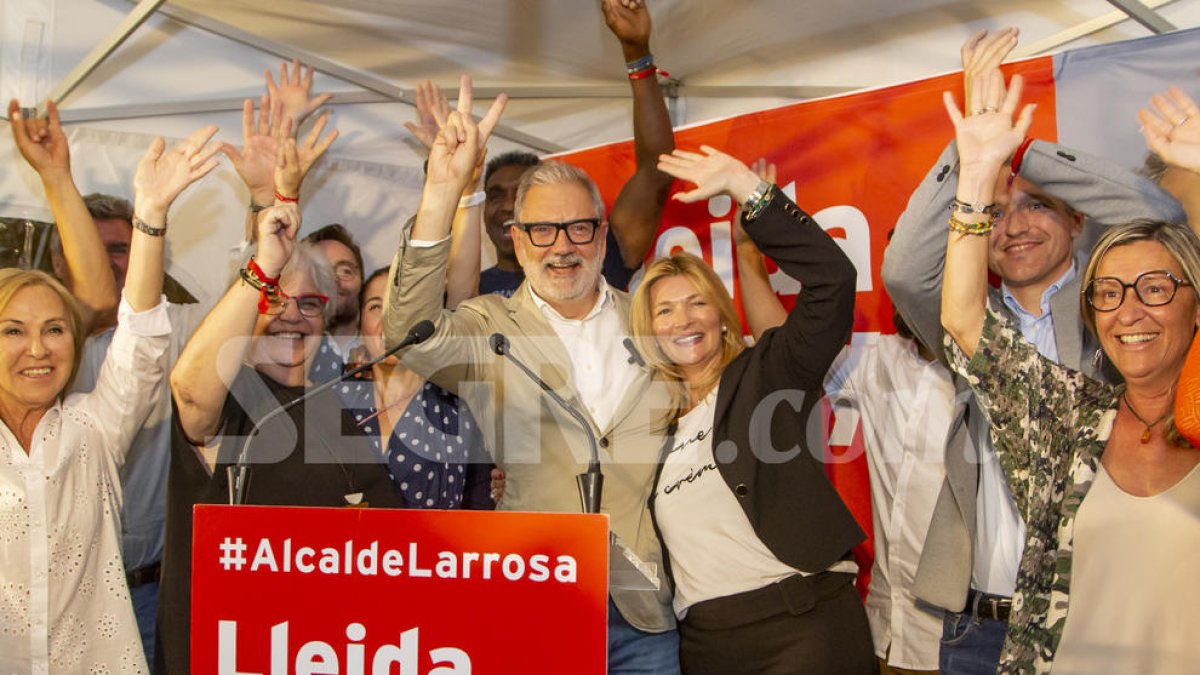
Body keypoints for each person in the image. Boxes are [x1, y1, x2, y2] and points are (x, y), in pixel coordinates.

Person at [880, 29, 1185, 675]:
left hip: (1112, 611)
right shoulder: (978, 334)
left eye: (1038, 205)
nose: (1014, 225)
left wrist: (1020, 149)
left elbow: (1159, 218)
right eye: (998, 212)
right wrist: (974, 156)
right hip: (979, 622)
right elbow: (908, 272)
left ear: (1081, 222)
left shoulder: (1129, 320)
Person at [384, 76, 682, 673]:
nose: (562, 247)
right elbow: (406, 329)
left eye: (579, 228)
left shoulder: (654, 319)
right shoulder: (488, 326)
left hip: (646, 612)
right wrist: (443, 190)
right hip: (534, 599)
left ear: (601, 234)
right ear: (517, 241)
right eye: (542, 230)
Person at [630, 145, 873, 675]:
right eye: (664, 310)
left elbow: (832, 280)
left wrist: (745, 186)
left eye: (697, 302)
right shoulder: (647, 426)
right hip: (704, 646)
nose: (682, 320)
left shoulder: (768, 375)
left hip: (802, 627)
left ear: (721, 315)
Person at [0, 109, 220, 673]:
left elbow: (141, 338)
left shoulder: (91, 429)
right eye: (13, 331)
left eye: (54, 330)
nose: (38, 349)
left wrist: (149, 215)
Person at [159, 208, 405, 673]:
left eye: (308, 303)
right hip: (233, 651)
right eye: (272, 299)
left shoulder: (333, 409)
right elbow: (189, 390)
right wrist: (262, 268)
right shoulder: (232, 397)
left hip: (326, 650)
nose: (291, 316)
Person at [404, 0, 673, 298]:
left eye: (519, 195)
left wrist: (637, 55)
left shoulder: (595, 261)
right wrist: (449, 178)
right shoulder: (470, 292)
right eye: (494, 195)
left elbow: (657, 169)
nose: (507, 206)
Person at [341, 267, 496, 509]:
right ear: (360, 329)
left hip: (438, 544)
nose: (388, 319)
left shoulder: (454, 401)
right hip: (352, 547)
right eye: (375, 306)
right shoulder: (338, 401)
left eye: (400, 307)